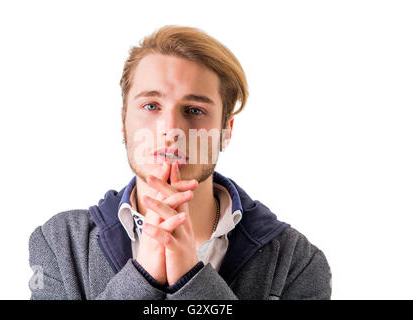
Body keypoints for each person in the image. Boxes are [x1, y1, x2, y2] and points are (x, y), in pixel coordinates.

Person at [28, 25, 332, 300]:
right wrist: (143, 275)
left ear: (226, 130)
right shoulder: (58, 243)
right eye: (151, 106)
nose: (171, 130)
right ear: (124, 122)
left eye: (195, 110)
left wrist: (190, 276)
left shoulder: (298, 262)